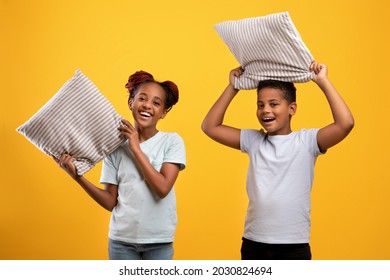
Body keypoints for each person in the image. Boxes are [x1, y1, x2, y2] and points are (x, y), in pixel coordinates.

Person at [201, 62, 354, 260]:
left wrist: (323, 81)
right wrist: (233, 87)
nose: (265, 110)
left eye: (274, 104)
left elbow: (345, 123)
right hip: (253, 242)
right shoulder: (254, 140)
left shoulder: (306, 142)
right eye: (260, 104)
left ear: (292, 109)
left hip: (293, 245)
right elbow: (210, 126)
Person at [54, 70, 186, 260]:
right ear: (131, 103)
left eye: (156, 103)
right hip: (121, 242)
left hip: (159, 241)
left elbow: (163, 188)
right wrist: (78, 177)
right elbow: (110, 201)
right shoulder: (115, 148)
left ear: (163, 113)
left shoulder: (172, 142)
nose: (147, 106)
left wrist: (136, 149)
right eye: (142, 98)